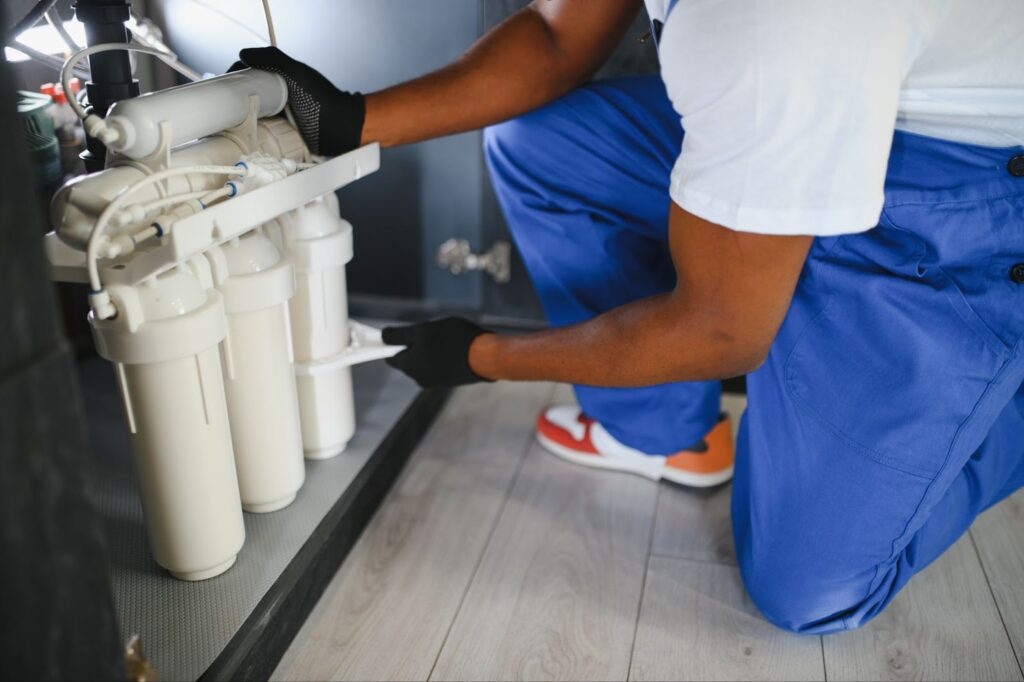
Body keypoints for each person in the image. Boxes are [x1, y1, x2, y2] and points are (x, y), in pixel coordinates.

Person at [236, 0, 1024, 633]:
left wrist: (481, 357)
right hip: (816, 104)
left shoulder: (766, 27)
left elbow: (721, 330)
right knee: (539, 143)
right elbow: (554, 35)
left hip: (943, 190)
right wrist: (350, 120)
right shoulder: (764, 49)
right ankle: (662, 435)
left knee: (807, 592)